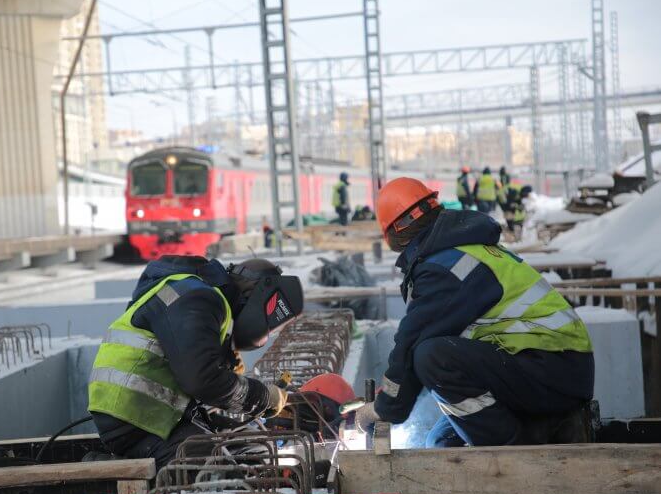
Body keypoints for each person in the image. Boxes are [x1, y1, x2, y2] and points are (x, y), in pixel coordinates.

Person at [355, 177, 595, 447]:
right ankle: (532, 430)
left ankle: (513, 449)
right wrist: (393, 396)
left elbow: (412, 344)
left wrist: (384, 407)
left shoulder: (446, 266)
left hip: (552, 368)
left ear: (395, 233)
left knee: (431, 356)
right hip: (547, 364)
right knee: (440, 444)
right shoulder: (459, 250)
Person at [88, 255, 304, 468]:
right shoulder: (199, 297)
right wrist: (263, 397)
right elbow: (202, 380)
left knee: (244, 451)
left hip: (147, 416)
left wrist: (225, 361)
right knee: (223, 477)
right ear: (255, 297)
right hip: (136, 421)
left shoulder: (197, 293)